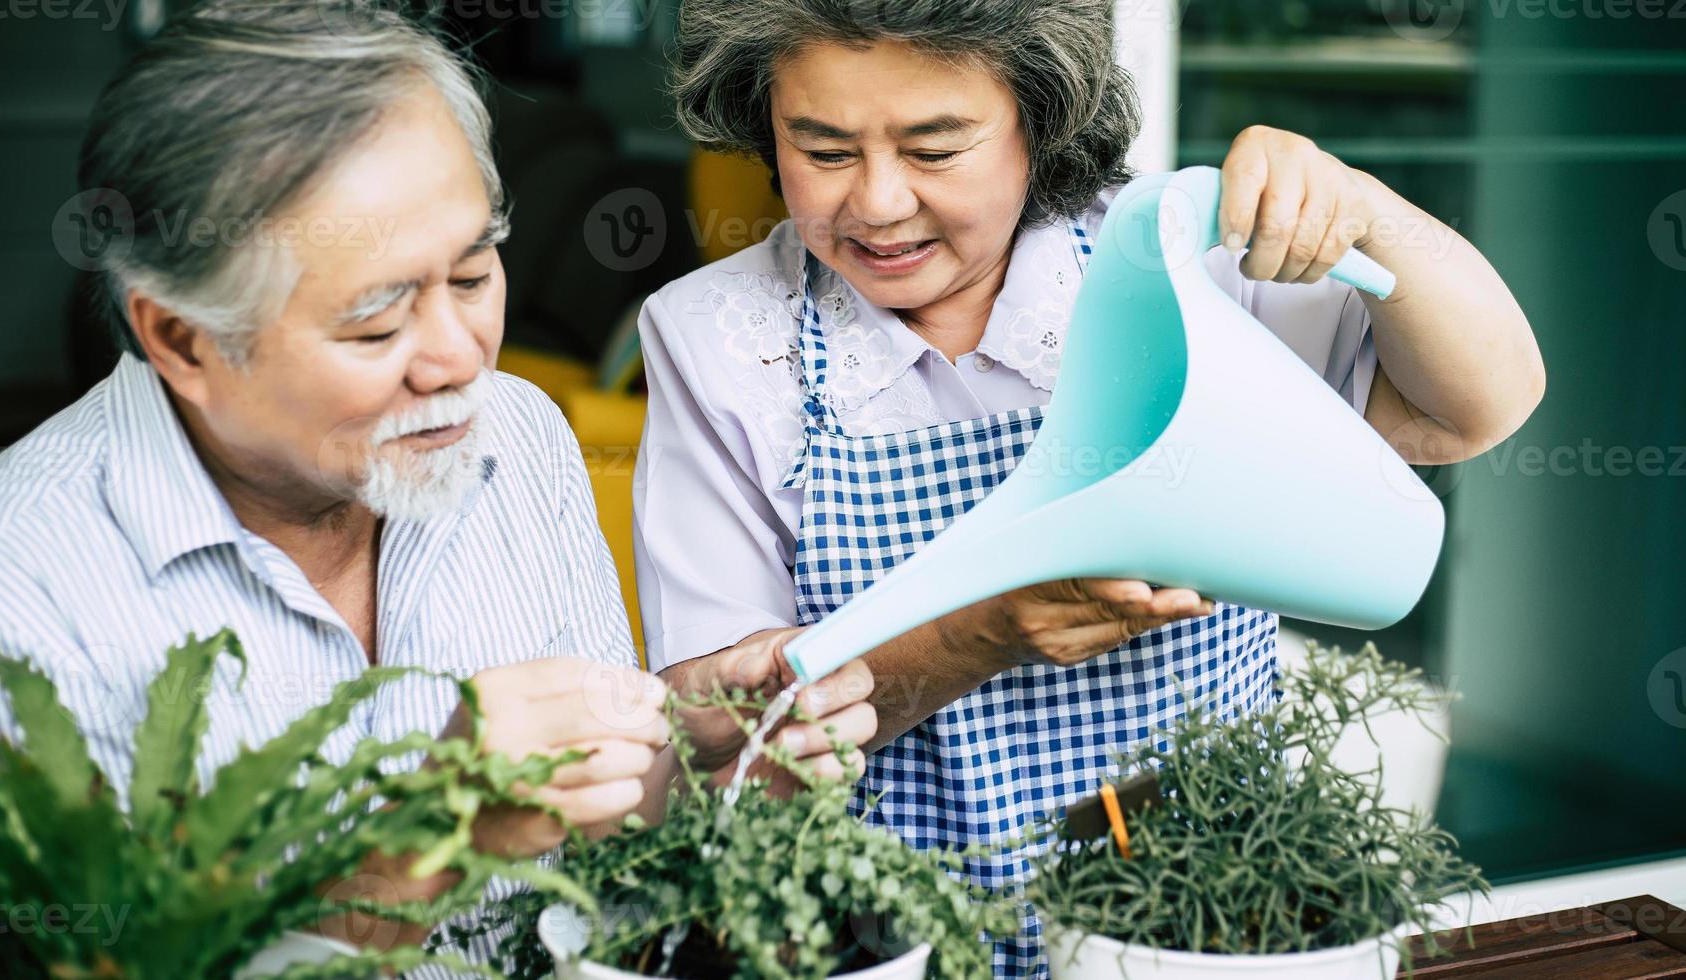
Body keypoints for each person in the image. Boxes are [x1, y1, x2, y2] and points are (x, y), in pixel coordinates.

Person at [0, 3, 875, 972]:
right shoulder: (9, 600)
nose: (456, 356)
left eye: (474, 274)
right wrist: (426, 838)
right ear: (181, 338)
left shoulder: (513, 434)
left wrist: (693, 751)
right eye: (374, 322)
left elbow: (598, 863)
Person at [633, 0, 1546, 973]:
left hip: (1199, 926)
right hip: (891, 942)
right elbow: (716, 746)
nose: (878, 203)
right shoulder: (719, 340)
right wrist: (978, 630)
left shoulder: (1181, 263)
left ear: (1041, 113)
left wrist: (1363, 211)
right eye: (822, 149)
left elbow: (1470, 409)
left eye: (934, 148)